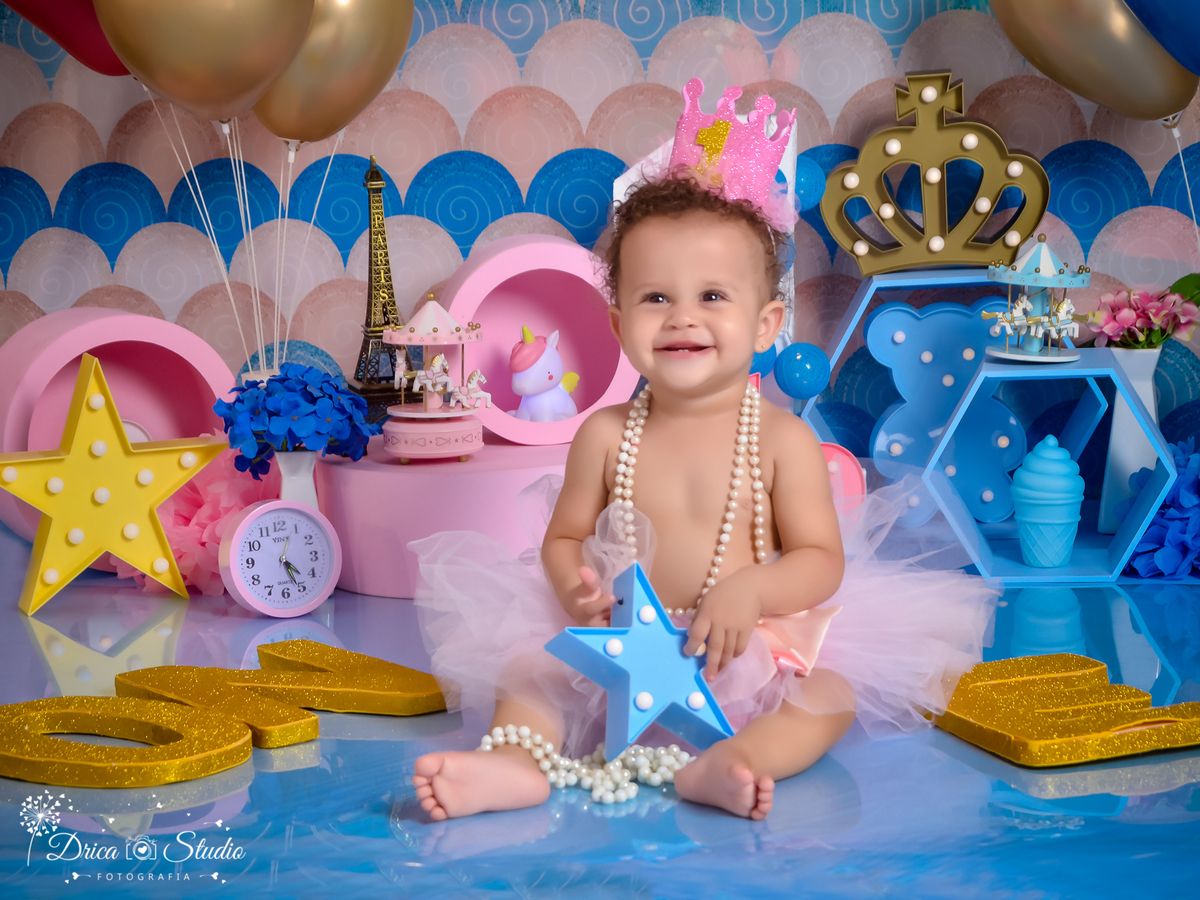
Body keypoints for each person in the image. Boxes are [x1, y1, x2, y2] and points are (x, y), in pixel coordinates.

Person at [411, 84, 995, 823]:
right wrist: (572, 585)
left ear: (766, 324)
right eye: (656, 298)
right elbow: (563, 538)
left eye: (714, 296)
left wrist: (752, 593)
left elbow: (820, 559)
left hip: (747, 644)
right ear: (619, 322)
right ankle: (513, 765)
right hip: (618, 645)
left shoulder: (783, 438)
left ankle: (736, 760)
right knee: (528, 672)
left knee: (829, 696)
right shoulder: (604, 434)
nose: (683, 315)